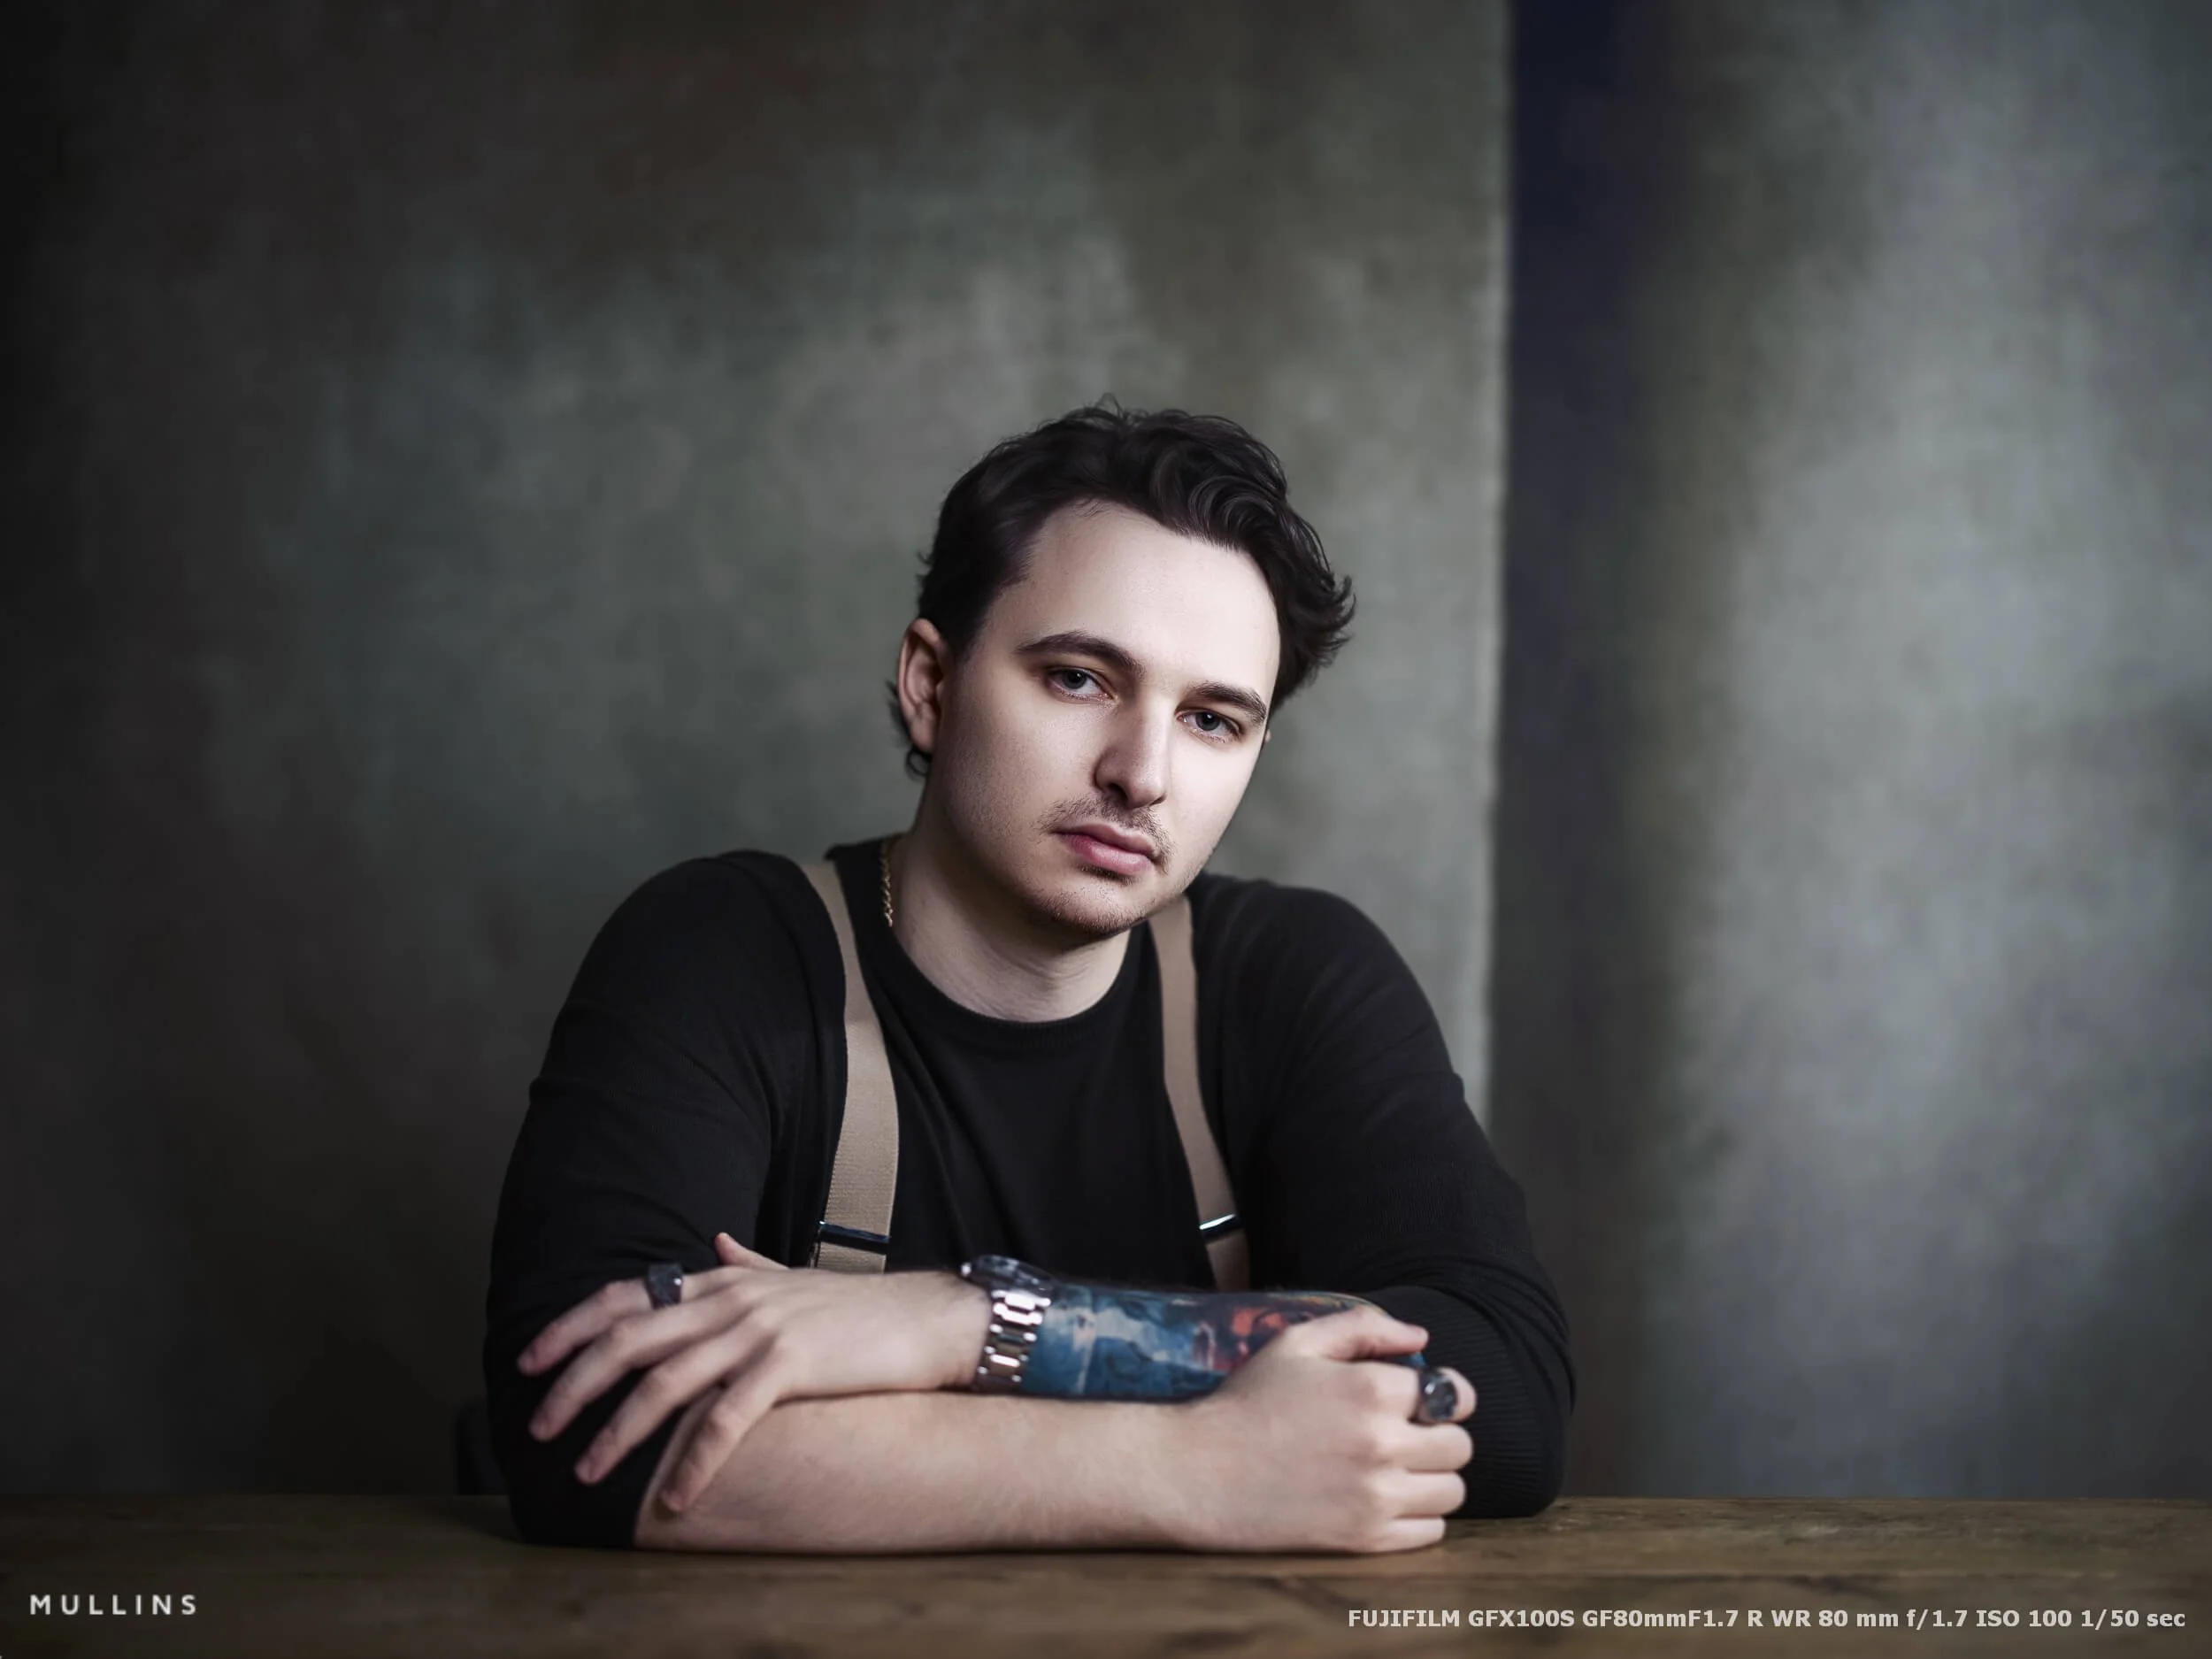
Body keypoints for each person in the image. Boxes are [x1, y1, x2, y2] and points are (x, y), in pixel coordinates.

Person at [482, 405, 1573, 1554]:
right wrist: (1186, 1466)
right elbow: (591, 1434)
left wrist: (966, 1322)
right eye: (1078, 679)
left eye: (1211, 718)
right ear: (928, 681)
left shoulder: (1292, 977)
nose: (1142, 773)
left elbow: (1502, 1382)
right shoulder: (721, 951)